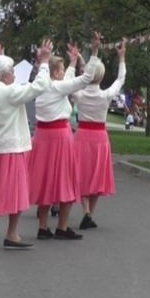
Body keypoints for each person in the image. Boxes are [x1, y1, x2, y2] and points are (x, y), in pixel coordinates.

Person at [0, 39, 53, 250]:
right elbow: (39, 86)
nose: (14, 76)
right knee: (16, 192)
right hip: (11, 149)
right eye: (12, 73)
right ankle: (12, 234)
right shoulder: (9, 92)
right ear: (5, 76)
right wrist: (44, 62)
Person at [27, 32, 100, 241]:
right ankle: (62, 226)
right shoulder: (58, 87)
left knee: (44, 181)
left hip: (42, 137)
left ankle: (42, 227)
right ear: (55, 73)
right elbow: (84, 79)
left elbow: (67, 80)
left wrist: (72, 62)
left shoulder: (41, 86)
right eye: (60, 70)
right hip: (60, 137)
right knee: (65, 180)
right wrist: (93, 53)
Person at [72, 39, 126, 229]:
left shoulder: (79, 94)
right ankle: (90, 214)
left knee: (81, 174)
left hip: (82, 135)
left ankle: (86, 211)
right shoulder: (105, 95)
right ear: (102, 77)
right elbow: (120, 80)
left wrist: (78, 59)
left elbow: (75, 81)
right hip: (100, 138)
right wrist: (122, 58)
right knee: (96, 175)